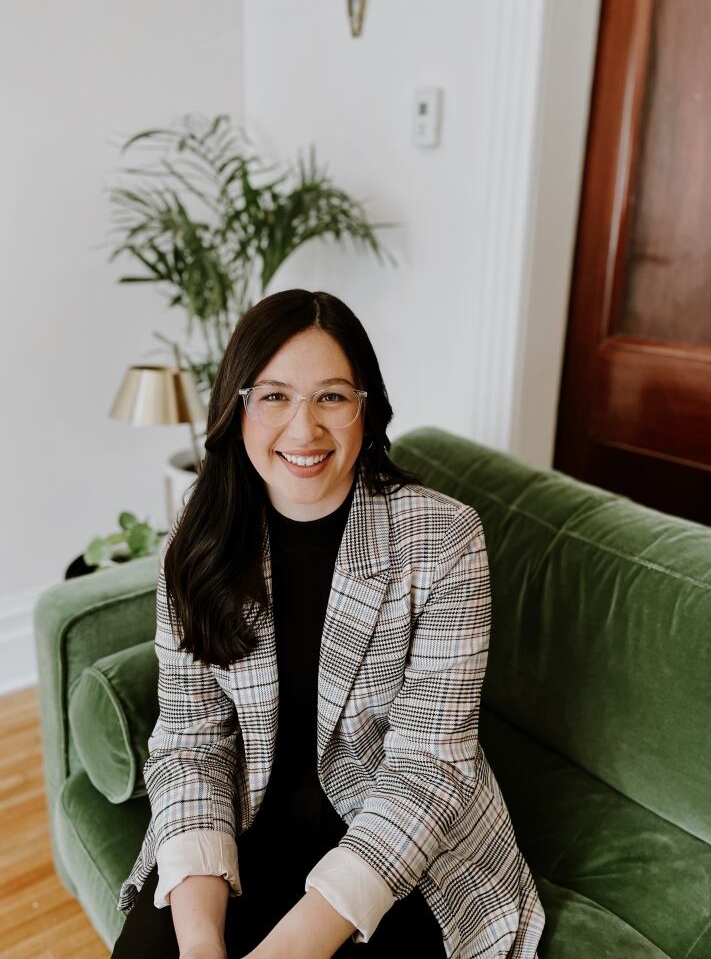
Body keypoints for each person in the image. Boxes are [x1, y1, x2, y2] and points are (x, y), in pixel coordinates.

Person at [111, 289, 545, 959]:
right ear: (239, 407)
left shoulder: (444, 538)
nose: (304, 429)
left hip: (400, 847)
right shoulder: (195, 541)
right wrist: (200, 942)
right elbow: (190, 741)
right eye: (276, 396)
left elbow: (429, 767)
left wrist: (289, 951)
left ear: (366, 411)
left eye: (333, 397)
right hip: (242, 826)